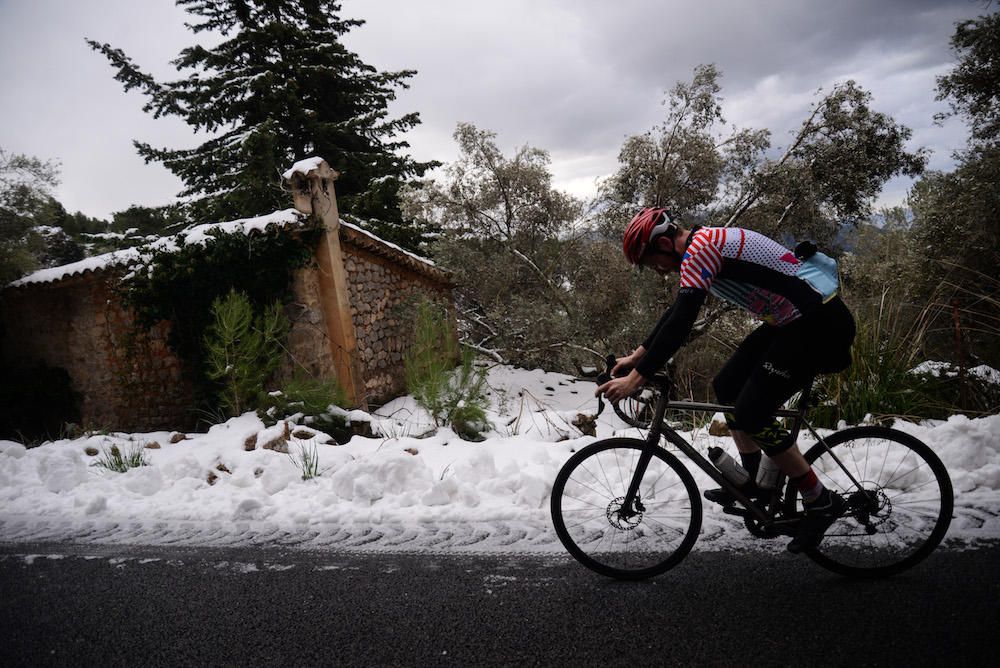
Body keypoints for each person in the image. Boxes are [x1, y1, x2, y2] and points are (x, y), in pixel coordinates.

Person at [596, 207, 856, 553]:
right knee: (728, 386)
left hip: (818, 325)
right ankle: (758, 485)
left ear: (663, 243)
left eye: (650, 261)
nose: (656, 271)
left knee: (751, 413)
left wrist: (636, 379)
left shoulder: (703, 248)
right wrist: (637, 357)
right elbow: (675, 311)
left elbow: (682, 322)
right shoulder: (698, 248)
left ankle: (820, 500)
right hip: (791, 322)